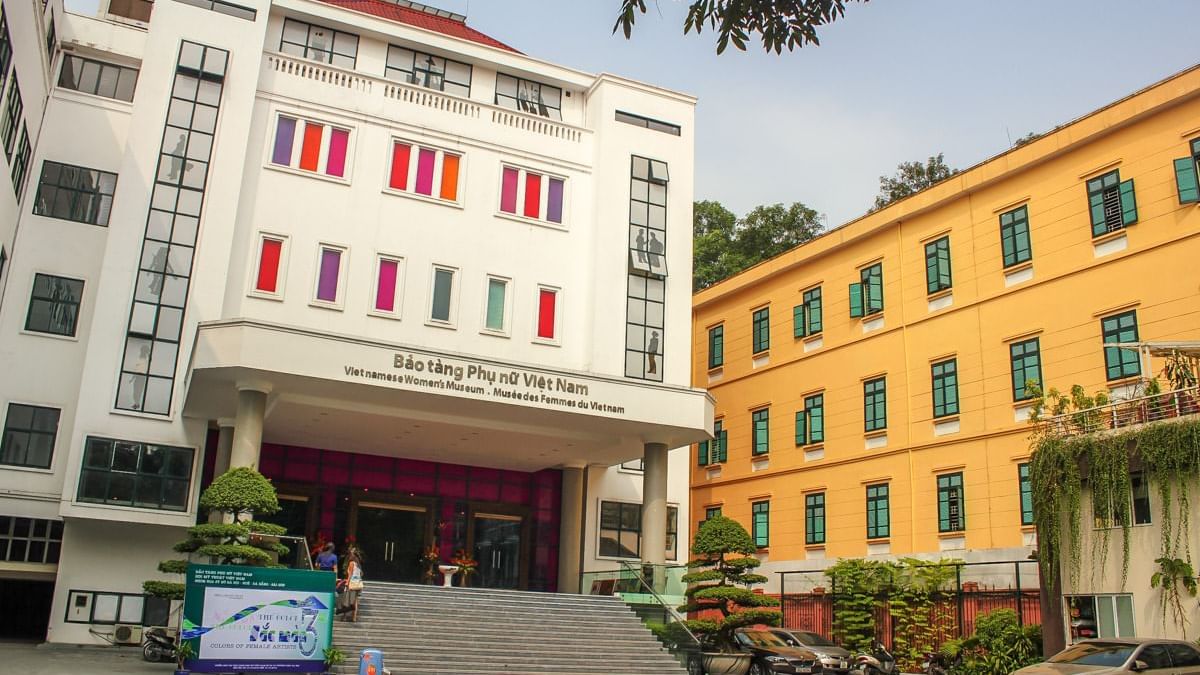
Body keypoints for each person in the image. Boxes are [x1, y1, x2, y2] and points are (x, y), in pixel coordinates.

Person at [342, 551, 364, 622]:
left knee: (347, 600)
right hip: (358, 585)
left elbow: (350, 574)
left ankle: (345, 617)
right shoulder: (358, 565)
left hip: (352, 584)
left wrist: (347, 583)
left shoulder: (351, 563)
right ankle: (354, 617)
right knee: (355, 601)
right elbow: (361, 574)